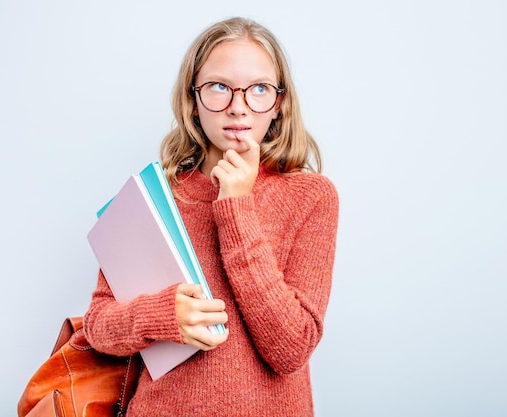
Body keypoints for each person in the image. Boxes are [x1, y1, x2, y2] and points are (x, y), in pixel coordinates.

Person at [84, 16, 339, 417]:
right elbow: (98, 327)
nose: (238, 107)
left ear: (279, 104)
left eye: (258, 89)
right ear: (193, 101)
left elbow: (291, 348)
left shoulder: (311, 197)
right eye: (219, 87)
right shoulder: (153, 197)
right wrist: (162, 316)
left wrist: (235, 206)